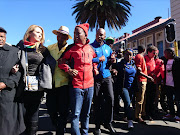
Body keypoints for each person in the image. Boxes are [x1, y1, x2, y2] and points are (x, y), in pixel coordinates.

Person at [58, 23, 98, 135]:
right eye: (74, 33)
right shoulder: (71, 48)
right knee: (75, 114)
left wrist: (95, 68)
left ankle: (84, 133)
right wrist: (69, 70)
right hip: (76, 86)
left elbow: (94, 61)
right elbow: (60, 62)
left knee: (86, 113)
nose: (75, 35)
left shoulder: (91, 48)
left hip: (90, 86)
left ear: (85, 35)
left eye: (78, 33)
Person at [16, 25, 56, 135]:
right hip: (21, 86)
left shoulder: (43, 49)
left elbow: (52, 64)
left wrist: (45, 75)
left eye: (41, 33)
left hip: (36, 88)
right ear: (29, 33)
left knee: (33, 116)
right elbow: (14, 60)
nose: (40, 35)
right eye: (38, 32)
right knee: (22, 115)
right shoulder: (20, 46)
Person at [46, 26, 72, 134]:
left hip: (64, 84)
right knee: (51, 109)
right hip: (51, 84)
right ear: (57, 36)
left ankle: (60, 130)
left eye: (63, 36)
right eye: (59, 35)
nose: (61, 37)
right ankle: (57, 125)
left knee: (63, 111)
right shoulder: (49, 48)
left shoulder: (70, 49)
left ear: (67, 38)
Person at [0, 27, 25, 135]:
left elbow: (20, 72)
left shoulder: (15, 52)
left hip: (8, 94)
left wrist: (5, 84)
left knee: (7, 123)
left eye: (1, 36)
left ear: (5, 38)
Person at [91, 28, 116, 134]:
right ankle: (97, 125)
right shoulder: (91, 47)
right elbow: (86, 59)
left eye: (102, 35)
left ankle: (108, 122)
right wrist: (97, 59)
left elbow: (110, 62)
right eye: (98, 34)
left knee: (111, 99)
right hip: (95, 78)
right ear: (95, 35)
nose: (100, 36)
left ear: (105, 36)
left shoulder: (108, 48)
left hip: (107, 77)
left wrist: (112, 61)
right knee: (97, 102)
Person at [115, 49, 136, 129]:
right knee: (127, 103)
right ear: (124, 55)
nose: (129, 56)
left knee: (129, 102)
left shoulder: (133, 64)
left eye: (130, 55)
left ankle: (125, 116)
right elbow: (114, 69)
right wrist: (115, 71)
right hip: (123, 87)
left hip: (132, 87)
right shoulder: (120, 64)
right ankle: (130, 121)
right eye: (127, 54)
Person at [134, 45, 153, 124]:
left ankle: (142, 113)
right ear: (144, 50)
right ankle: (138, 116)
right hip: (141, 80)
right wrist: (148, 77)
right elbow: (139, 70)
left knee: (143, 99)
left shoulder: (140, 57)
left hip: (143, 80)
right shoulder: (139, 57)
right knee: (140, 99)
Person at [162, 48, 180, 122]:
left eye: (166, 54)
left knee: (178, 100)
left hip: (177, 84)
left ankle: (178, 115)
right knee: (170, 100)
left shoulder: (178, 60)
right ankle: (171, 113)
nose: (165, 55)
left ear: (171, 53)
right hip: (168, 83)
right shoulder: (165, 60)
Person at [144, 45, 158, 120]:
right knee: (148, 98)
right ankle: (147, 113)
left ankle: (152, 112)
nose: (155, 54)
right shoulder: (144, 59)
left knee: (153, 98)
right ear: (148, 52)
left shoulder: (154, 59)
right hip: (147, 81)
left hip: (154, 81)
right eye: (153, 53)